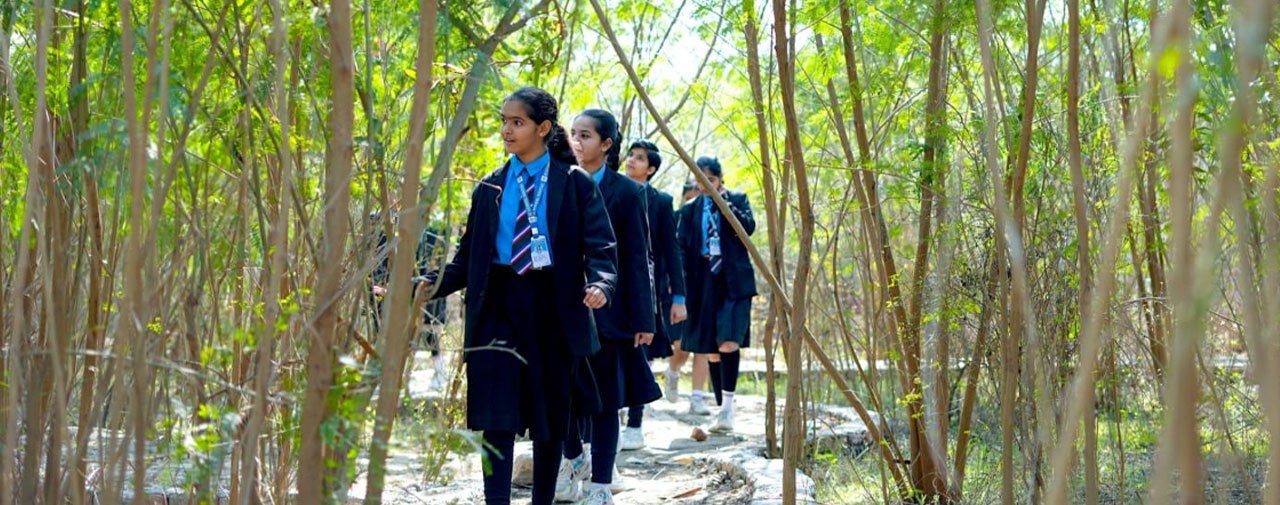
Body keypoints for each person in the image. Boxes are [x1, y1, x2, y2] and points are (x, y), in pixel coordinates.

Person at [413, 86, 617, 505]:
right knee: (496, 415)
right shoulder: (489, 187)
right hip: (497, 306)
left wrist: (600, 284)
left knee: (549, 418)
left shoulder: (573, 183)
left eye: (517, 122)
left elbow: (601, 246)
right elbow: (467, 259)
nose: (507, 130)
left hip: (553, 307)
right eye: (504, 121)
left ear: (543, 128)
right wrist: (424, 285)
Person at [554, 109, 660, 505]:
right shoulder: (558, 182)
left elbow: (638, 257)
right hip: (563, 309)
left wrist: (644, 318)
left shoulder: (627, 192)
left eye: (586, 135)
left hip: (610, 314)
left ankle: (600, 486)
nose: (577, 142)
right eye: (573, 134)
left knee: (605, 400)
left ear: (606, 144)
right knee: (561, 394)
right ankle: (573, 458)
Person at [676, 156, 756, 433]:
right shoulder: (690, 210)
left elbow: (747, 228)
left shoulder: (738, 199)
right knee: (711, 349)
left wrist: (725, 205)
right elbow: (680, 248)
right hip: (703, 283)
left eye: (710, 179)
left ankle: (728, 409)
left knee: (729, 342)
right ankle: (722, 408)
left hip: (733, 281)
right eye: (700, 180)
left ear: (721, 180)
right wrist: (679, 286)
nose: (705, 185)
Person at [618, 139, 686, 451]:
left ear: (651, 169)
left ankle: (635, 423)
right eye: (630, 155)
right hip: (611, 286)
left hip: (647, 289)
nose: (631, 160)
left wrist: (679, 297)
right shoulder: (611, 189)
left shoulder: (660, 202)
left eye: (639, 158)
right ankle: (613, 415)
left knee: (641, 353)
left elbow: (671, 250)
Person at [370, 217, 450, 389]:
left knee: (426, 329)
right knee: (383, 332)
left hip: (416, 288)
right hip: (389, 292)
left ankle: (439, 371)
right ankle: (384, 377)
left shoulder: (424, 230)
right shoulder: (381, 232)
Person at [667, 179, 713, 415]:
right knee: (681, 348)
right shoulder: (676, 217)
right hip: (681, 289)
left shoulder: (712, 216)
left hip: (706, 284)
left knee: (702, 345)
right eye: (691, 193)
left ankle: (697, 397)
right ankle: (673, 372)